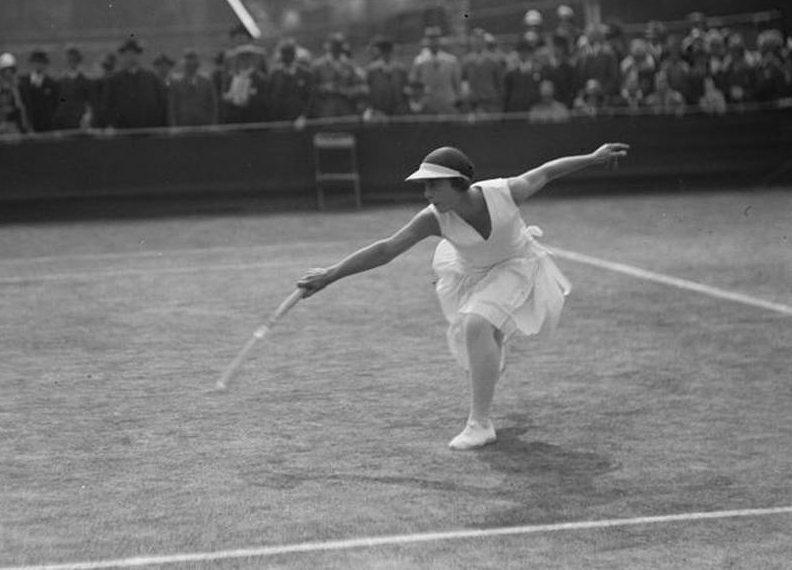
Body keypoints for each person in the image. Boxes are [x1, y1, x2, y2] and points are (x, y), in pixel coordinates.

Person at [297, 142, 630, 449]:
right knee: (476, 340)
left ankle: (479, 424)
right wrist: (330, 275)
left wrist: (593, 158)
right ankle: (493, 353)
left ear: (458, 182)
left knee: (475, 325)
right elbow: (386, 250)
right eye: (424, 186)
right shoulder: (433, 218)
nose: (427, 193)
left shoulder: (507, 192)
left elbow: (546, 171)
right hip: (470, 274)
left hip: (516, 265)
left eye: (433, 185)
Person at [167, 49, 218, 127]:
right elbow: (172, 107)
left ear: (197, 66)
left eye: (193, 65)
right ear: (184, 66)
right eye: (188, 65)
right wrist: (174, 126)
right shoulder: (176, 83)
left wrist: (213, 125)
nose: (191, 67)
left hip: (204, 125)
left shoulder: (207, 82)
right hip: (182, 125)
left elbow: (213, 105)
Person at [20, 49, 60, 132]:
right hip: (28, 126)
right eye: (36, 62)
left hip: (47, 126)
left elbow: (56, 104)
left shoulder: (52, 83)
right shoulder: (23, 82)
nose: (38, 65)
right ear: (32, 63)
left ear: (45, 64)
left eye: (41, 62)